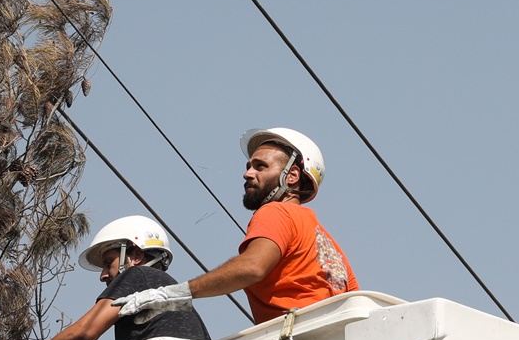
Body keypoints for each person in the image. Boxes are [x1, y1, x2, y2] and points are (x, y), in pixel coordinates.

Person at [117, 127, 358, 327]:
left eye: (260, 166)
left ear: (292, 175)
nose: (247, 173)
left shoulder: (275, 212)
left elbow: (252, 266)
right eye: (248, 166)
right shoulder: (327, 243)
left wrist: (174, 294)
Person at [1, 216, 211, 340]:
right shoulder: (175, 299)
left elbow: (82, 333)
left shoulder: (138, 275)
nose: (103, 275)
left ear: (135, 256)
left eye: (108, 262)